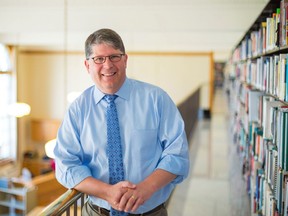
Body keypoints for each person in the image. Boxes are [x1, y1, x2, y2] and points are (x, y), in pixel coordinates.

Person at [54, 28, 190, 216]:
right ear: (87, 65)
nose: (108, 65)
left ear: (125, 60)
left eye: (114, 57)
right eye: (99, 59)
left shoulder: (156, 99)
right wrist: (107, 192)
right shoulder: (78, 110)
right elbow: (65, 165)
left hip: (150, 212)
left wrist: (145, 189)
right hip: (96, 212)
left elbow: (177, 155)